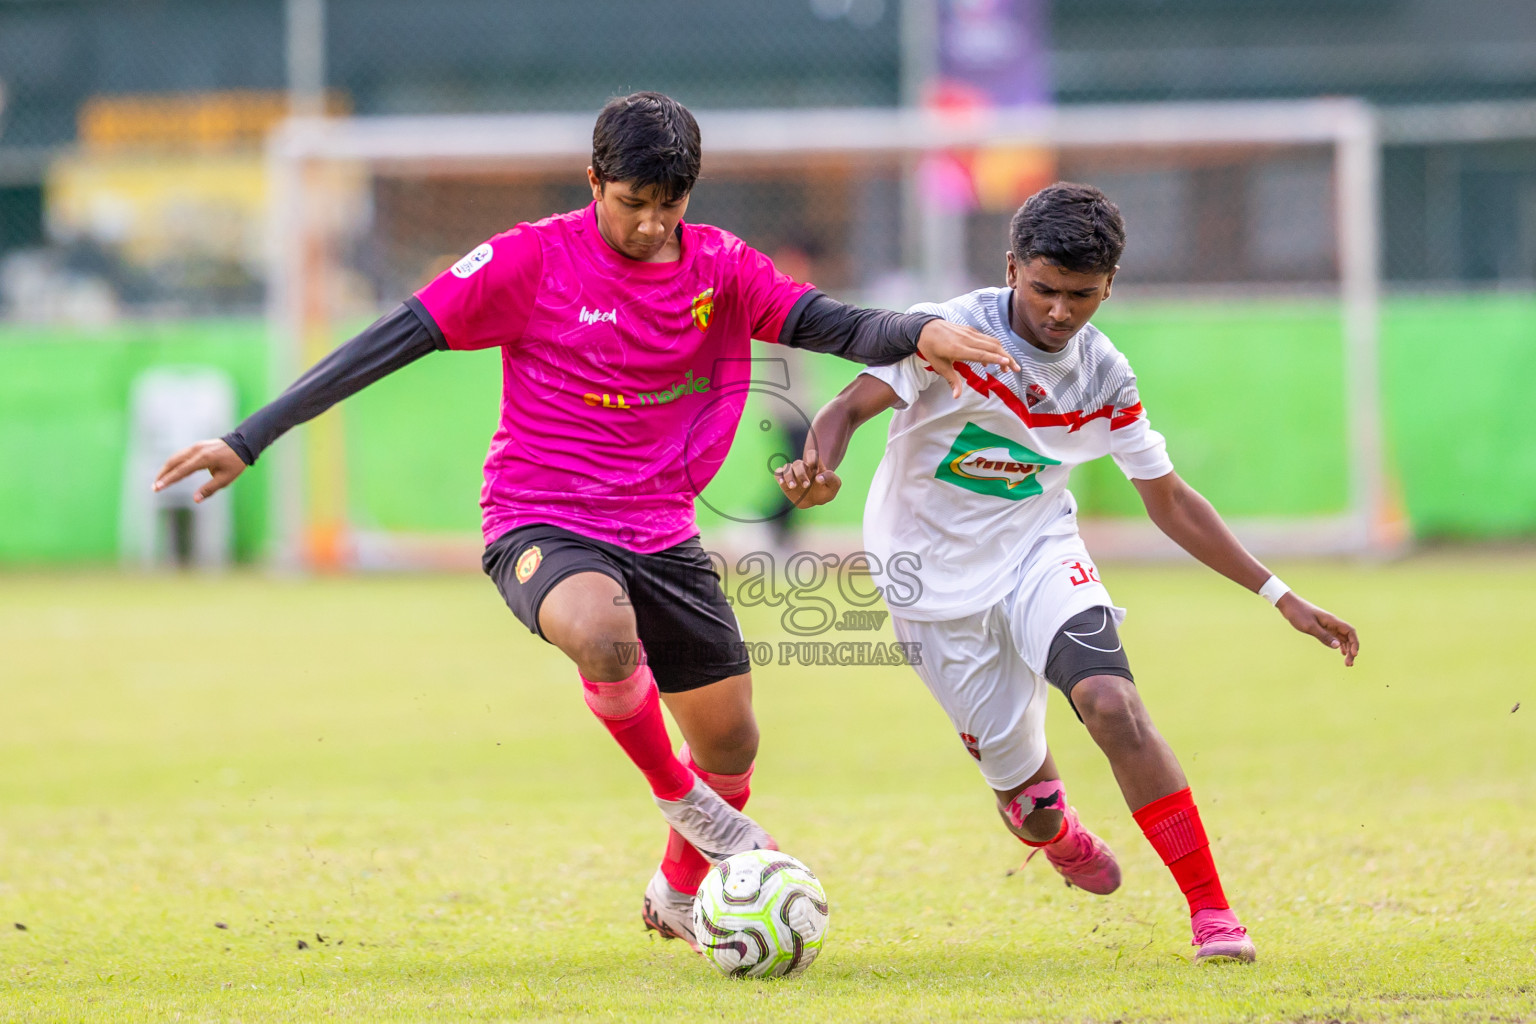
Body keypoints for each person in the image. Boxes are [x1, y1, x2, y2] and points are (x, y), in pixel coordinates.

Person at [151, 92, 1018, 951]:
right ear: (595, 180)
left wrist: (918, 333)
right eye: (631, 202)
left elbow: (828, 321)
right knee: (602, 637)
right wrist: (249, 437)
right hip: (542, 521)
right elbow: (393, 337)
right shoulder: (530, 261)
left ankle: (678, 894)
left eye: (667, 206)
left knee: (732, 736)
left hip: (665, 533)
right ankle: (684, 803)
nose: (648, 224)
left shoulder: (719, 267)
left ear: (690, 197)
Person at [774, 182, 1359, 964]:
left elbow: (1172, 500)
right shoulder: (951, 335)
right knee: (1032, 808)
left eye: (1081, 295)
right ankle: (1056, 830)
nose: (1059, 312)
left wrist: (1277, 593)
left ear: (1109, 286)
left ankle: (1213, 914)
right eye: (1044, 289)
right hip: (930, 583)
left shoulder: (1105, 377)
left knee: (1112, 704)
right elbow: (846, 408)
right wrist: (818, 468)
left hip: (1036, 551)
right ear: (1012, 267)